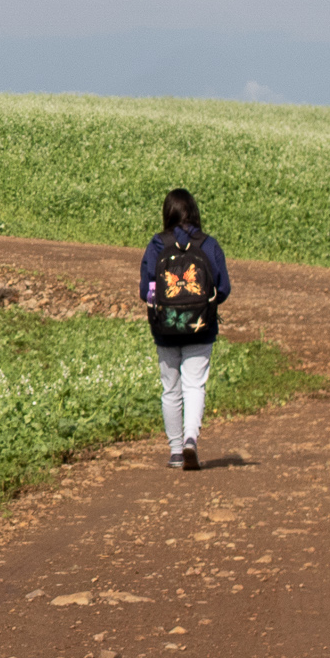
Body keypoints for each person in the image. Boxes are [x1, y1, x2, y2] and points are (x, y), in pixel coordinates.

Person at [139, 187, 230, 470]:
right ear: (194, 211)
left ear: (167, 213)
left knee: (171, 389)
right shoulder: (208, 244)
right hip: (201, 326)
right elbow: (223, 288)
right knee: (194, 385)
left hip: (165, 329)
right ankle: (191, 438)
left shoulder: (156, 245)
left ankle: (176, 451)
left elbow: (146, 291)